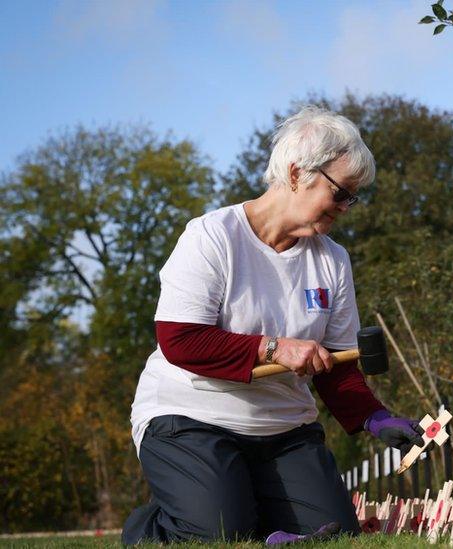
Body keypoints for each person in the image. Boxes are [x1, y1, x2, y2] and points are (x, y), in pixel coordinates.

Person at [122, 106, 424, 544]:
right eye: (341, 193)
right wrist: (274, 348)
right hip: (190, 415)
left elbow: (337, 365)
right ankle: (153, 525)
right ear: (298, 172)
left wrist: (374, 419)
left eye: (352, 198)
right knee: (220, 531)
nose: (345, 207)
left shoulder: (333, 261)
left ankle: (237, 503)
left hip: (282, 428)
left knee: (333, 530)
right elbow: (180, 340)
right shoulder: (211, 237)